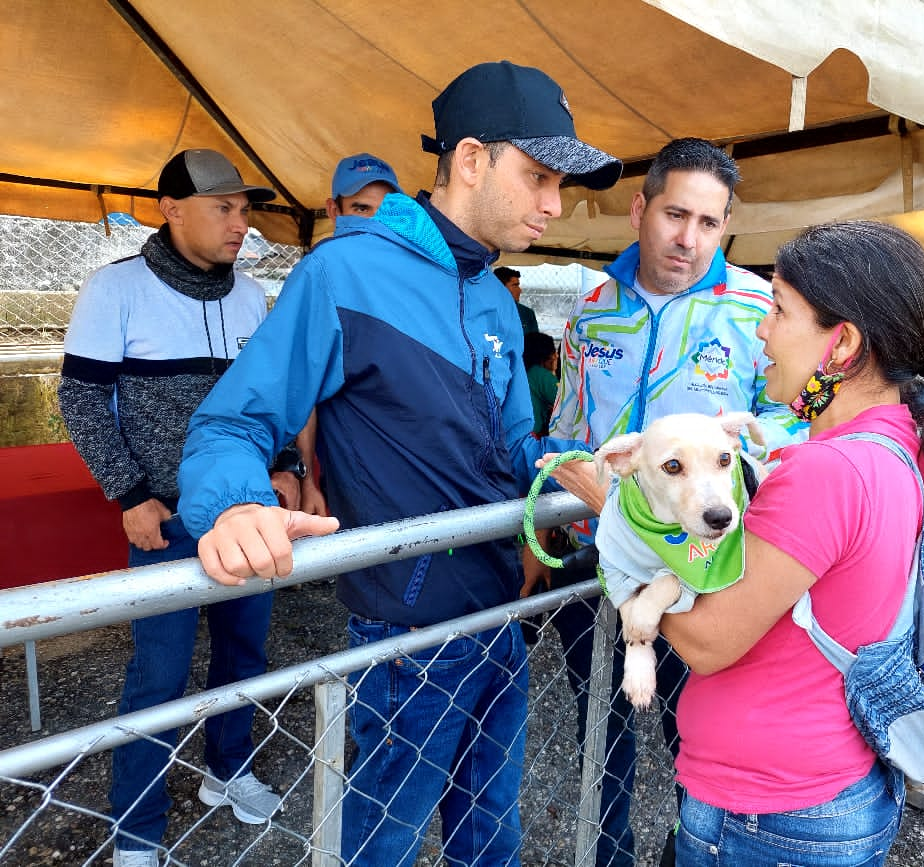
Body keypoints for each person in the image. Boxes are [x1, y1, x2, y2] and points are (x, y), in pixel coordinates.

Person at [176, 61, 621, 866]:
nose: (555, 205)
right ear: (473, 159)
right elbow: (230, 421)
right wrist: (237, 505)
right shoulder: (341, 273)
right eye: (541, 177)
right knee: (373, 849)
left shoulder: (491, 292)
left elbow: (511, 447)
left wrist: (567, 463)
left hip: (498, 618)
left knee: (492, 841)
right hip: (406, 636)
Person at [661, 221, 924, 865]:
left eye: (779, 309)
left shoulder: (828, 471)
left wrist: (625, 521)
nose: (762, 330)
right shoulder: (896, 444)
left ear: (841, 343)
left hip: (768, 816)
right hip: (832, 790)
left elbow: (706, 641)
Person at [542, 137, 808, 867]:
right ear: (640, 208)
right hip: (597, 561)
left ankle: (695, 851)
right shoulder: (592, 311)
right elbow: (566, 430)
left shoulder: (759, 309)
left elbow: (792, 431)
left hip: (702, 568)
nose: (688, 239)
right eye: (674, 214)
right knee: (601, 723)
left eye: (709, 223)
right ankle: (608, 854)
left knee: (699, 732)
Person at [56, 148, 295, 867]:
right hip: (166, 521)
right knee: (158, 674)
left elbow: (267, 399)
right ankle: (137, 829)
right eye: (224, 207)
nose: (239, 223)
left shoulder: (252, 296)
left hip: (248, 513)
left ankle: (228, 771)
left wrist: (283, 466)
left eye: (244, 209)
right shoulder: (115, 289)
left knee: (243, 653)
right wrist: (128, 493)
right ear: (171, 207)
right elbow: (81, 397)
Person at [295, 152, 404, 518]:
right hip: (354, 477)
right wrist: (307, 480)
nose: (374, 222)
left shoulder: (406, 274)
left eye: (383, 209)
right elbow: (301, 392)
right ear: (333, 210)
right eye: (360, 208)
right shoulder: (320, 275)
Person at [523, 330, 559, 437]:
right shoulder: (539, 374)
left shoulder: (525, 371)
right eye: (553, 351)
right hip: (530, 436)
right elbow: (563, 400)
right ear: (546, 355)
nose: (556, 356)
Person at [495, 264, 540, 333]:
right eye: (515, 285)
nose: (520, 290)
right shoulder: (485, 312)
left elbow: (533, 341)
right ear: (500, 287)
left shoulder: (527, 313)